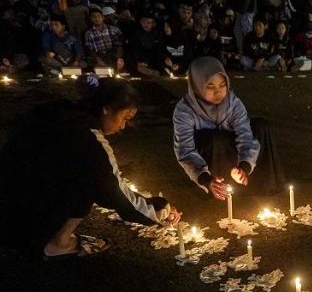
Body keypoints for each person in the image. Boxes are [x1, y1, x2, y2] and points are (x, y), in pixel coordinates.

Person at [0, 79, 180, 259]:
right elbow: (114, 193)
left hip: (9, 199)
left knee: (83, 176)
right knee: (88, 183)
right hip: (19, 225)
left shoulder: (58, 113)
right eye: (124, 118)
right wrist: (157, 211)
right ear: (106, 108)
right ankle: (58, 243)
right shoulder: (89, 141)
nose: (123, 126)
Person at [173, 56, 284, 198]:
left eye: (222, 85)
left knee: (261, 126)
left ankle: (259, 185)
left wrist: (244, 167)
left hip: (233, 156)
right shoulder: (184, 110)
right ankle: (216, 188)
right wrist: (205, 179)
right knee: (216, 138)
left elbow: (245, 135)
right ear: (196, 86)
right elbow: (185, 150)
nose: (218, 91)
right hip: (208, 160)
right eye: (210, 86)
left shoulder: (233, 103)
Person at [84, 6, 125, 71]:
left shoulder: (114, 29)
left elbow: (120, 45)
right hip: (99, 56)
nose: (97, 18)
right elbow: (90, 49)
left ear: (103, 17)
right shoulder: (88, 33)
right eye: (94, 17)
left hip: (113, 55)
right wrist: (98, 60)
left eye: (98, 16)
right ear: (90, 19)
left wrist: (118, 58)